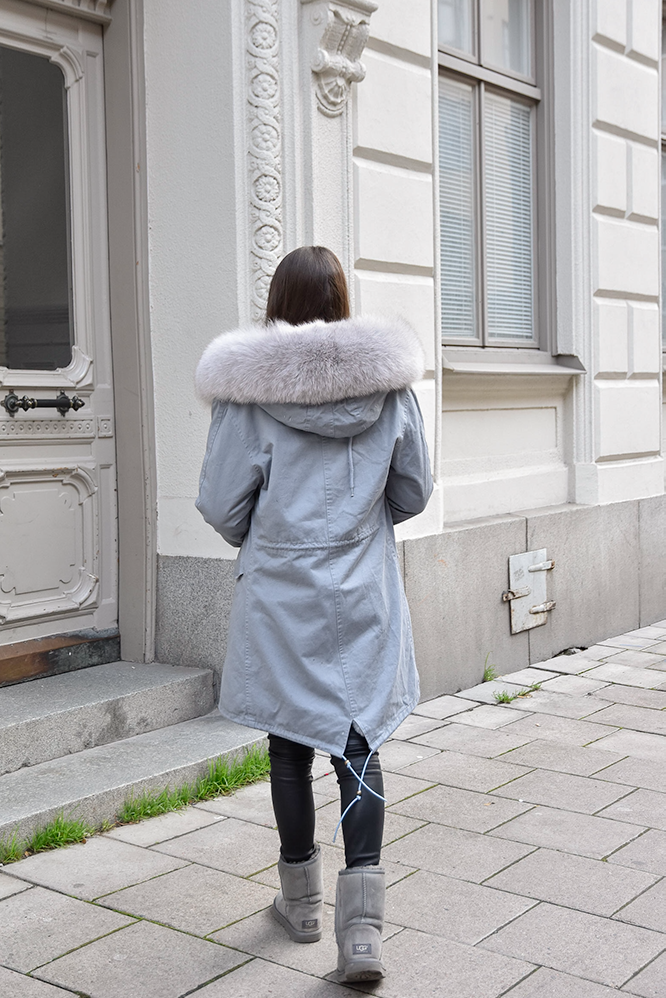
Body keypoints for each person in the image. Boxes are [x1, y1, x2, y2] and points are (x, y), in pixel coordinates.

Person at [195, 245, 433, 983]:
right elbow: (414, 490)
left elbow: (220, 504)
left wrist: (273, 535)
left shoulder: (247, 395)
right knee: (359, 742)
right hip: (362, 589)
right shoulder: (389, 389)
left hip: (281, 592)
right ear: (342, 303)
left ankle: (299, 907)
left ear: (277, 306)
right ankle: (361, 934)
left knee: (289, 742)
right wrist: (360, 529)